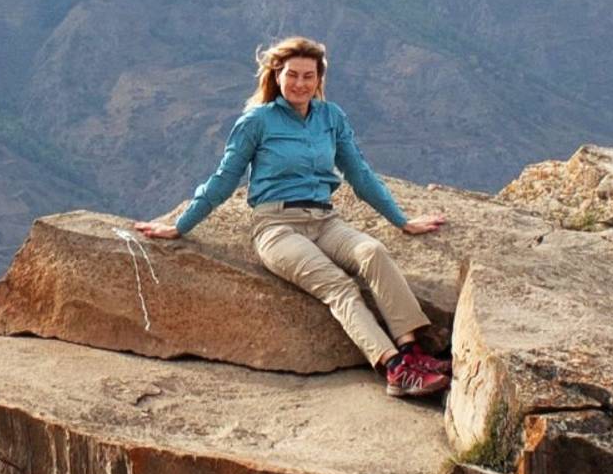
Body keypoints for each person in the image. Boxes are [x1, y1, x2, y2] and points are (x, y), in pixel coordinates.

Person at [137, 34, 453, 397]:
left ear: (319, 79)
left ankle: (412, 352)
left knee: (373, 253)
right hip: (276, 227)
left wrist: (401, 220)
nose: (300, 83)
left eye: (308, 75)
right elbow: (225, 178)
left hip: (324, 220)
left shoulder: (331, 117)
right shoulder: (257, 121)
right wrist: (180, 225)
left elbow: (360, 174)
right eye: (292, 75)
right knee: (340, 288)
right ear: (276, 75)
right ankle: (395, 369)